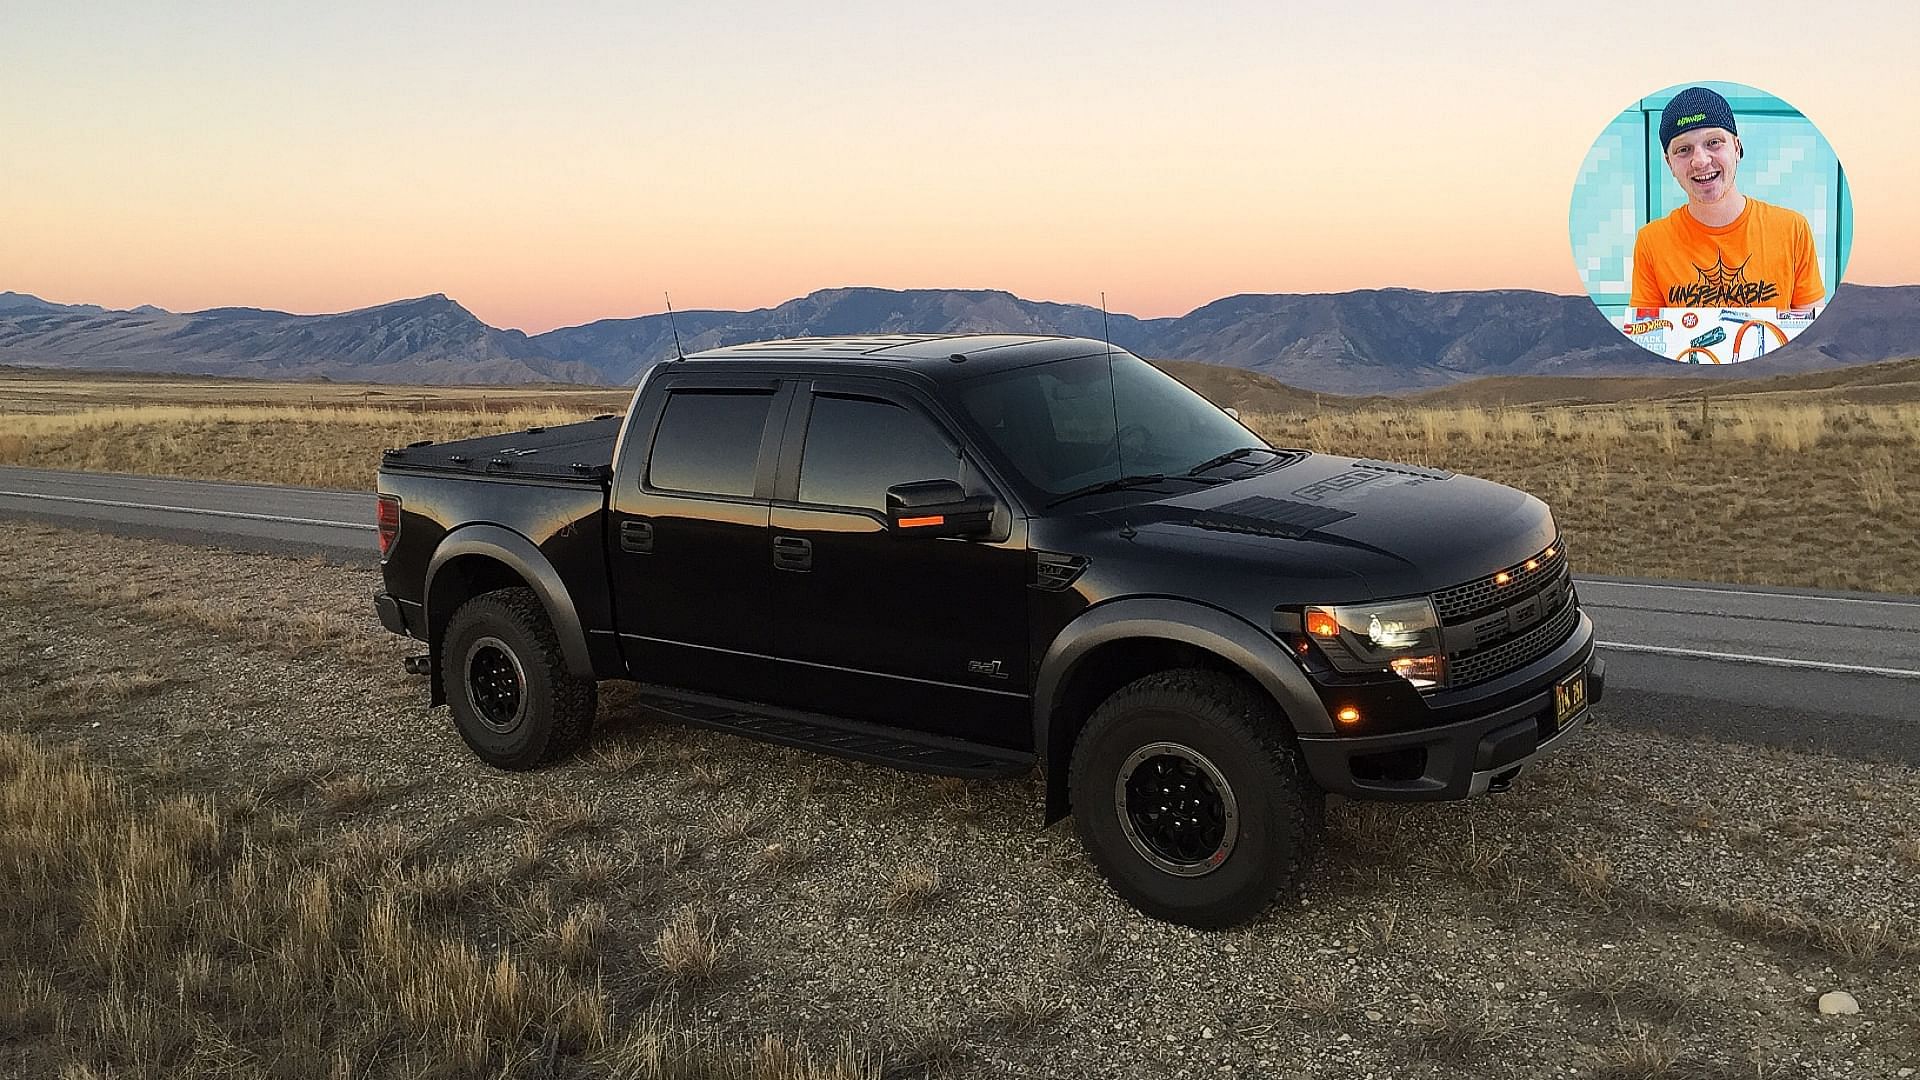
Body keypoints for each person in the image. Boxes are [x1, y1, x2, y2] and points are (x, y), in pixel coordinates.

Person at [1630, 86, 1824, 310]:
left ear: (1737, 147)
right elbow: (1645, 332)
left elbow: (1813, 332)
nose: (1700, 161)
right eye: (1684, 149)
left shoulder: (1793, 230)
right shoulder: (1651, 242)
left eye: (1713, 142)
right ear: (1669, 163)